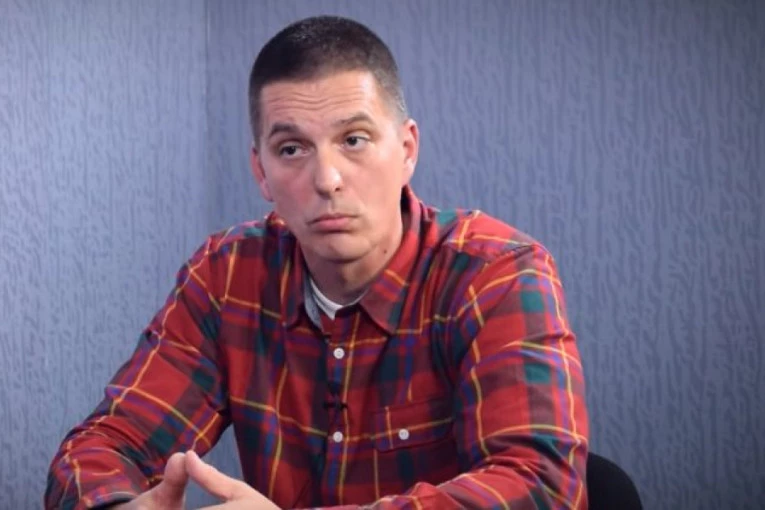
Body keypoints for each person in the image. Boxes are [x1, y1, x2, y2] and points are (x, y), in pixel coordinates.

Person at [45, 15, 589, 510]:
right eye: (292, 149)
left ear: (406, 150)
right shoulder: (227, 275)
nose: (327, 179)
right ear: (261, 172)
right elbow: (103, 446)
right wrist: (117, 506)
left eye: (354, 140)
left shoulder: (496, 274)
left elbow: (542, 488)